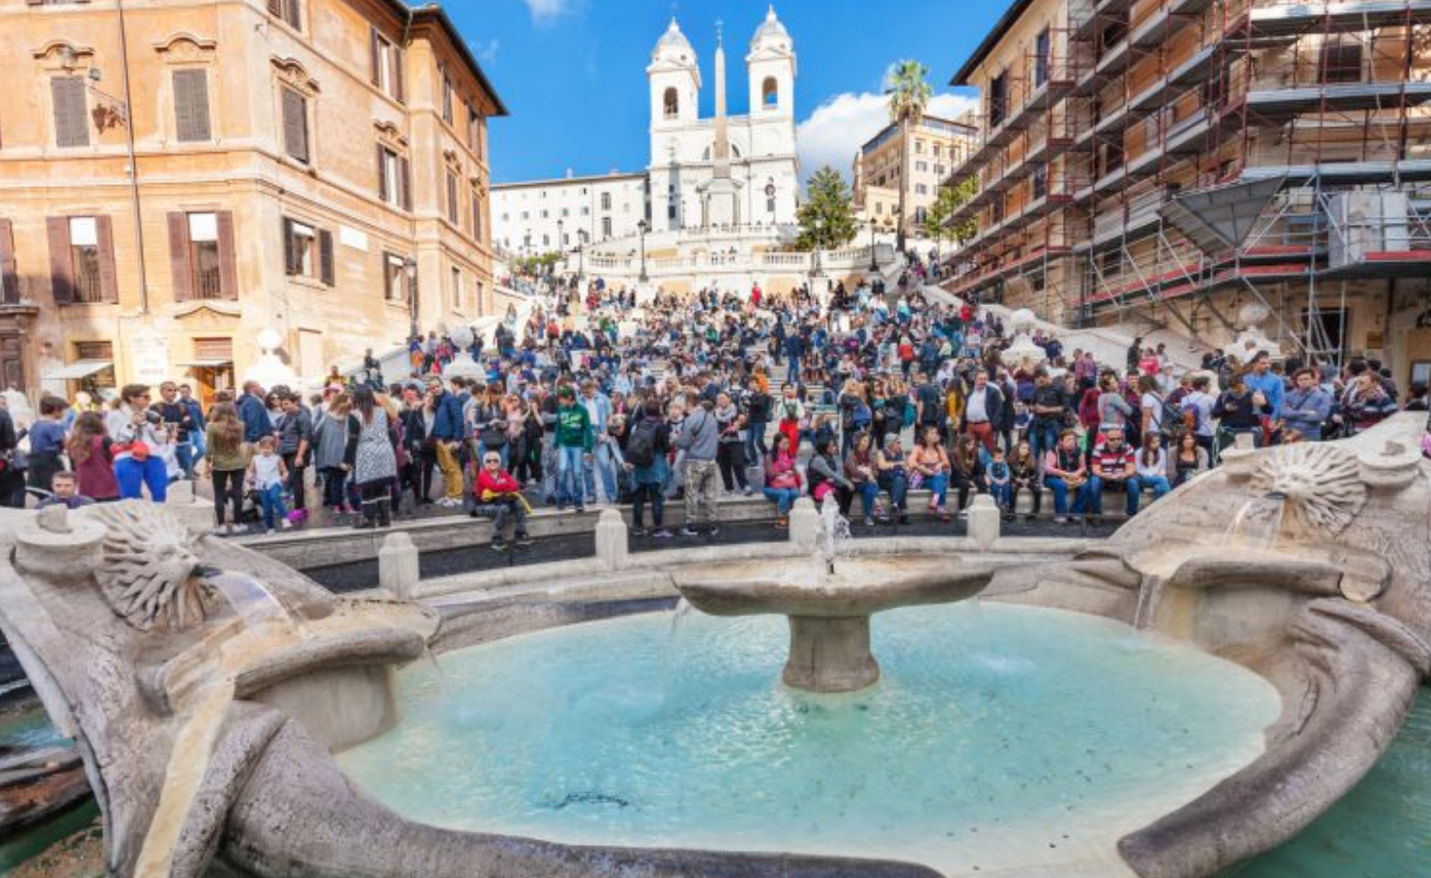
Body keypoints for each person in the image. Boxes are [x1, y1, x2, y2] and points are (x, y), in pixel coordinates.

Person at [345, 385, 398, 529]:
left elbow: (352, 440)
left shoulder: (355, 415)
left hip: (366, 453)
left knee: (368, 487)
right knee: (382, 485)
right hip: (385, 451)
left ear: (356, 398)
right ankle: (385, 519)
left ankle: (369, 520)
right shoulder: (383, 411)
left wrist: (347, 461)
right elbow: (391, 433)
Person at [106, 385, 169, 502]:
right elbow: (118, 441)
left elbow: (160, 440)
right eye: (145, 397)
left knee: (161, 493)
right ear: (131, 398)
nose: (149, 400)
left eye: (150, 397)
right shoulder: (115, 415)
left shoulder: (149, 414)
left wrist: (159, 427)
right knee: (131, 498)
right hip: (128, 457)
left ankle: (157, 519)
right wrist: (132, 425)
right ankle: (134, 520)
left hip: (153, 456)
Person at [625, 398, 671, 538]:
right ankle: (658, 529)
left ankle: (637, 527)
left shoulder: (638, 425)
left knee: (638, 497)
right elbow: (666, 447)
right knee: (656, 497)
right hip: (655, 464)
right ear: (659, 410)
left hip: (639, 465)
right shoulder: (661, 426)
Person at [676, 392, 721, 537]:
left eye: (683, 404)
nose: (681, 407)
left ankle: (691, 526)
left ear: (689, 403)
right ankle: (713, 525)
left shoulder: (691, 419)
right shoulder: (712, 418)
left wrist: (675, 439)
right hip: (711, 461)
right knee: (710, 494)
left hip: (695, 461)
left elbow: (684, 443)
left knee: (691, 494)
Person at [470, 451, 532, 551]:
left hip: (500, 502)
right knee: (503, 508)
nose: (492, 463)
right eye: (489, 461)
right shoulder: (483, 475)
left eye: (495, 460)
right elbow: (493, 487)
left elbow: (515, 486)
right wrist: (506, 485)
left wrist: (502, 486)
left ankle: (520, 534)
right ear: (485, 463)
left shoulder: (503, 473)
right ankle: (496, 538)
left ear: (499, 462)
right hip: (483, 506)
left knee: (518, 504)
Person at [207, 403, 248, 535]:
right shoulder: (240, 425)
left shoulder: (212, 427)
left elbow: (209, 450)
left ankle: (221, 526)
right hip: (238, 462)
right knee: (237, 494)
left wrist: (207, 464)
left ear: (217, 412)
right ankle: (237, 524)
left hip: (219, 464)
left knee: (219, 494)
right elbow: (240, 443)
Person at [426, 376, 466, 508]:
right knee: (446, 469)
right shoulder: (438, 400)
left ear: (442, 385)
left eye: (437, 386)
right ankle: (449, 495)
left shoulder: (451, 399)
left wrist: (457, 439)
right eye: (432, 387)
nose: (435, 389)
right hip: (439, 440)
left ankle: (458, 496)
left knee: (454, 469)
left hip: (449, 440)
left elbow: (458, 420)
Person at [553, 384, 593, 513]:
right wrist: (556, 446)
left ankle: (578, 502)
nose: (559, 400)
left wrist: (588, 449)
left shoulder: (582, 410)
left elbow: (588, 430)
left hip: (578, 446)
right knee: (562, 470)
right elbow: (558, 428)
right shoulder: (561, 409)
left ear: (569, 397)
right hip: (564, 445)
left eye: (562, 398)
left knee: (577, 474)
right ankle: (561, 500)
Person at [313, 393, 354, 516]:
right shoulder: (347, 417)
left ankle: (338, 505)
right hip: (341, 453)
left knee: (337, 480)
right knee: (342, 481)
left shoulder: (329, 416)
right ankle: (342, 504)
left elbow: (316, 432)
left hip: (332, 454)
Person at [66, 411, 119, 503]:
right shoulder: (104, 439)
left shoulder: (72, 442)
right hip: (109, 487)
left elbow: (73, 468)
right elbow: (115, 461)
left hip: (85, 487)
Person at [1043, 430, 1094, 523]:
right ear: (1061, 441)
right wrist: (1066, 474)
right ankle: (1061, 515)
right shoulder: (1053, 451)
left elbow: (1083, 467)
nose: (1072, 442)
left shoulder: (1079, 451)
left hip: (1072, 477)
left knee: (1086, 485)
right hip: (1053, 478)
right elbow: (1048, 468)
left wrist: (1077, 474)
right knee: (1060, 485)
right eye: (1069, 439)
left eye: (1074, 439)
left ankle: (1075, 512)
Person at [276, 392, 313, 521]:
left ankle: (299, 509)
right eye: (282, 404)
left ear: (295, 402)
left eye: (286, 403)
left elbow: (305, 438)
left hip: (296, 452)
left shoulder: (303, 416)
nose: (284, 406)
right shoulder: (287, 416)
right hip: (287, 452)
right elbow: (286, 433)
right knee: (294, 481)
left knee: (296, 481)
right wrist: (279, 434)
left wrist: (299, 456)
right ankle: (301, 509)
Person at [1089, 427, 1140, 518]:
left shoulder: (1127, 447)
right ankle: (1096, 514)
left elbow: (1131, 468)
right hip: (1104, 476)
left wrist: (1123, 475)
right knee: (1094, 482)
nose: (1116, 441)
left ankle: (1131, 515)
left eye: (1119, 439)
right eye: (1112, 439)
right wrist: (1105, 475)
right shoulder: (1098, 448)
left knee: (1133, 483)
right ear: (1106, 439)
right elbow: (1095, 469)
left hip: (1122, 476)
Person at [246, 436, 291, 535]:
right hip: (262, 485)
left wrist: (284, 476)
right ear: (260, 448)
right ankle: (270, 527)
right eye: (263, 448)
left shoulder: (277, 458)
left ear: (273, 448)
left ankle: (285, 517)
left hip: (275, 482)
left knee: (275, 497)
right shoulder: (255, 459)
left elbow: (285, 471)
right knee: (267, 508)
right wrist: (249, 477)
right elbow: (251, 471)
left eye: (268, 448)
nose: (266, 450)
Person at [151, 382, 196, 479]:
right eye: (169, 390)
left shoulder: (183, 406)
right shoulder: (155, 407)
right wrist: (180, 424)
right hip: (165, 446)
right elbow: (156, 428)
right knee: (169, 476)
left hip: (183, 443)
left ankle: (187, 494)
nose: (173, 393)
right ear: (161, 392)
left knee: (187, 474)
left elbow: (192, 425)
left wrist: (169, 425)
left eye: (175, 390)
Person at [26, 397, 69, 494]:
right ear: (55, 410)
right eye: (62, 410)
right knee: (54, 492)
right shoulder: (54, 426)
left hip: (35, 462)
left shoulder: (36, 424)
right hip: (50, 464)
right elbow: (65, 444)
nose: (63, 413)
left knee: (41, 492)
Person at [712, 391, 751, 496]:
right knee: (724, 466)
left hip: (736, 441)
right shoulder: (715, 412)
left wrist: (739, 425)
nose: (721, 401)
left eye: (723, 398)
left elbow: (747, 423)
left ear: (729, 399)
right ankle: (729, 488)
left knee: (738, 463)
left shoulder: (737, 410)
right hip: (721, 442)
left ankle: (745, 486)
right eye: (719, 399)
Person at [909, 426, 952, 522]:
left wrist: (940, 464)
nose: (935, 435)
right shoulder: (918, 448)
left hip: (936, 478)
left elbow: (947, 462)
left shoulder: (939, 448)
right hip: (924, 479)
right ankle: (940, 508)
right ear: (925, 436)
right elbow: (911, 462)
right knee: (942, 480)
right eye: (932, 433)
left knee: (940, 476)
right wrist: (923, 469)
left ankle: (935, 501)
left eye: (936, 433)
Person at [762, 432, 803, 528]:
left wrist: (793, 472)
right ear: (777, 444)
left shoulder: (789, 455)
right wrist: (785, 473)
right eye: (784, 443)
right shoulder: (769, 456)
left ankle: (793, 516)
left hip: (787, 484)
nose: (787, 445)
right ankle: (781, 520)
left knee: (795, 493)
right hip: (771, 487)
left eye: (788, 443)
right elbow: (771, 474)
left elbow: (796, 473)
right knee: (784, 494)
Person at [808, 435, 854, 517]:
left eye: (834, 445)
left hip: (827, 483)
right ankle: (835, 516)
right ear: (825, 448)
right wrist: (847, 482)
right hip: (817, 485)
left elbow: (836, 473)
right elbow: (831, 474)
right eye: (832, 446)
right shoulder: (818, 459)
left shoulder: (830, 457)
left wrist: (846, 483)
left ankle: (843, 513)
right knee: (836, 492)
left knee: (847, 489)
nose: (834, 448)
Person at [1282, 367, 1333, 441]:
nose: (1303, 381)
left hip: (1310, 435)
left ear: (1313, 380)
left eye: (1306, 379)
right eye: (1300, 379)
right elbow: (1284, 413)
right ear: (1297, 381)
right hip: (1290, 434)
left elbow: (1321, 416)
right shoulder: (1289, 395)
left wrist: (1292, 414)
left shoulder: (1323, 396)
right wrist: (1305, 412)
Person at [843, 431, 882, 526]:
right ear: (858, 442)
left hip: (867, 483)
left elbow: (876, 471)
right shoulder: (851, 455)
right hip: (853, 483)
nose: (867, 443)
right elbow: (854, 472)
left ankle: (868, 516)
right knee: (871, 484)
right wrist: (867, 476)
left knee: (869, 488)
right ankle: (877, 504)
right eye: (864, 440)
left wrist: (872, 474)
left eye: (868, 441)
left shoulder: (870, 454)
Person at [960, 371, 1002, 453]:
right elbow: (965, 408)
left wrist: (992, 425)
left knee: (990, 449)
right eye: (980, 379)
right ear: (975, 380)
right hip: (970, 425)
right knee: (970, 450)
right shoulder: (970, 391)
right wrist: (962, 426)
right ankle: (974, 465)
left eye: (985, 379)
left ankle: (993, 465)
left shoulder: (993, 392)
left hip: (985, 425)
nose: (983, 381)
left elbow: (999, 409)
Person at [950, 433, 986, 512]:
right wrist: (969, 481)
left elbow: (979, 469)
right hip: (958, 478)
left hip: (971, 477)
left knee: (981, 480)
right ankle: (961, 508)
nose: (971, 447)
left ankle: (981, 504)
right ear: (963, 444)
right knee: (964, 483)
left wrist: (983, 474)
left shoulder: (974, 453)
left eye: (973, 444)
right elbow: (956, 470)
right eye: (969, 444)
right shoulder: (954, 453)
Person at [1134, 433, 1172, 508]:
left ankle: (1156, 508)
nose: (1157, 444)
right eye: (1153, 442)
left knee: (1158, 488)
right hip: (1143, 478)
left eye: (1158, 441)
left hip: (1158, 478)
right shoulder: (1139, 452)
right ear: (1147, 442)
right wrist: (1151, 475)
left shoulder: (1162, 452)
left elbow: (1163, 468)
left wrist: (1160, 474)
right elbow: (1137, 469)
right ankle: (1169, 504)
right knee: (1162, 480)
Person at [1008, 439, 1042, 520]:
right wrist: (1015, 478)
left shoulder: (1032, 459)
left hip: (1029, 480)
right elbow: (1008, 472)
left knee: (1037, 488)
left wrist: (1029, 479)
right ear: (1018, 449)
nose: (1025, 450)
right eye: (1023, 448)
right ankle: (1011, 511)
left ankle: (1035, 511)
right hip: (1016, 479)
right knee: (1012, 488)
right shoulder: (1011, 460)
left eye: (1027, 449)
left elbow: (1036, 473)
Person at [987, 447, 1012, 515]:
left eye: (1002, 458)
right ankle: (995, 502)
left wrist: (1004, 480)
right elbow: (990, 475)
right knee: (994, 488)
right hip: (995, 481)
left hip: (1003, 480)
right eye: (998, 458)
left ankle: (1005, 503)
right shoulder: (990, 465)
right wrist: (996, 481)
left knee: (1007, 487)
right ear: (993, 458)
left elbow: (1007, 474)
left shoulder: (1004, 465)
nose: (1001, 460)